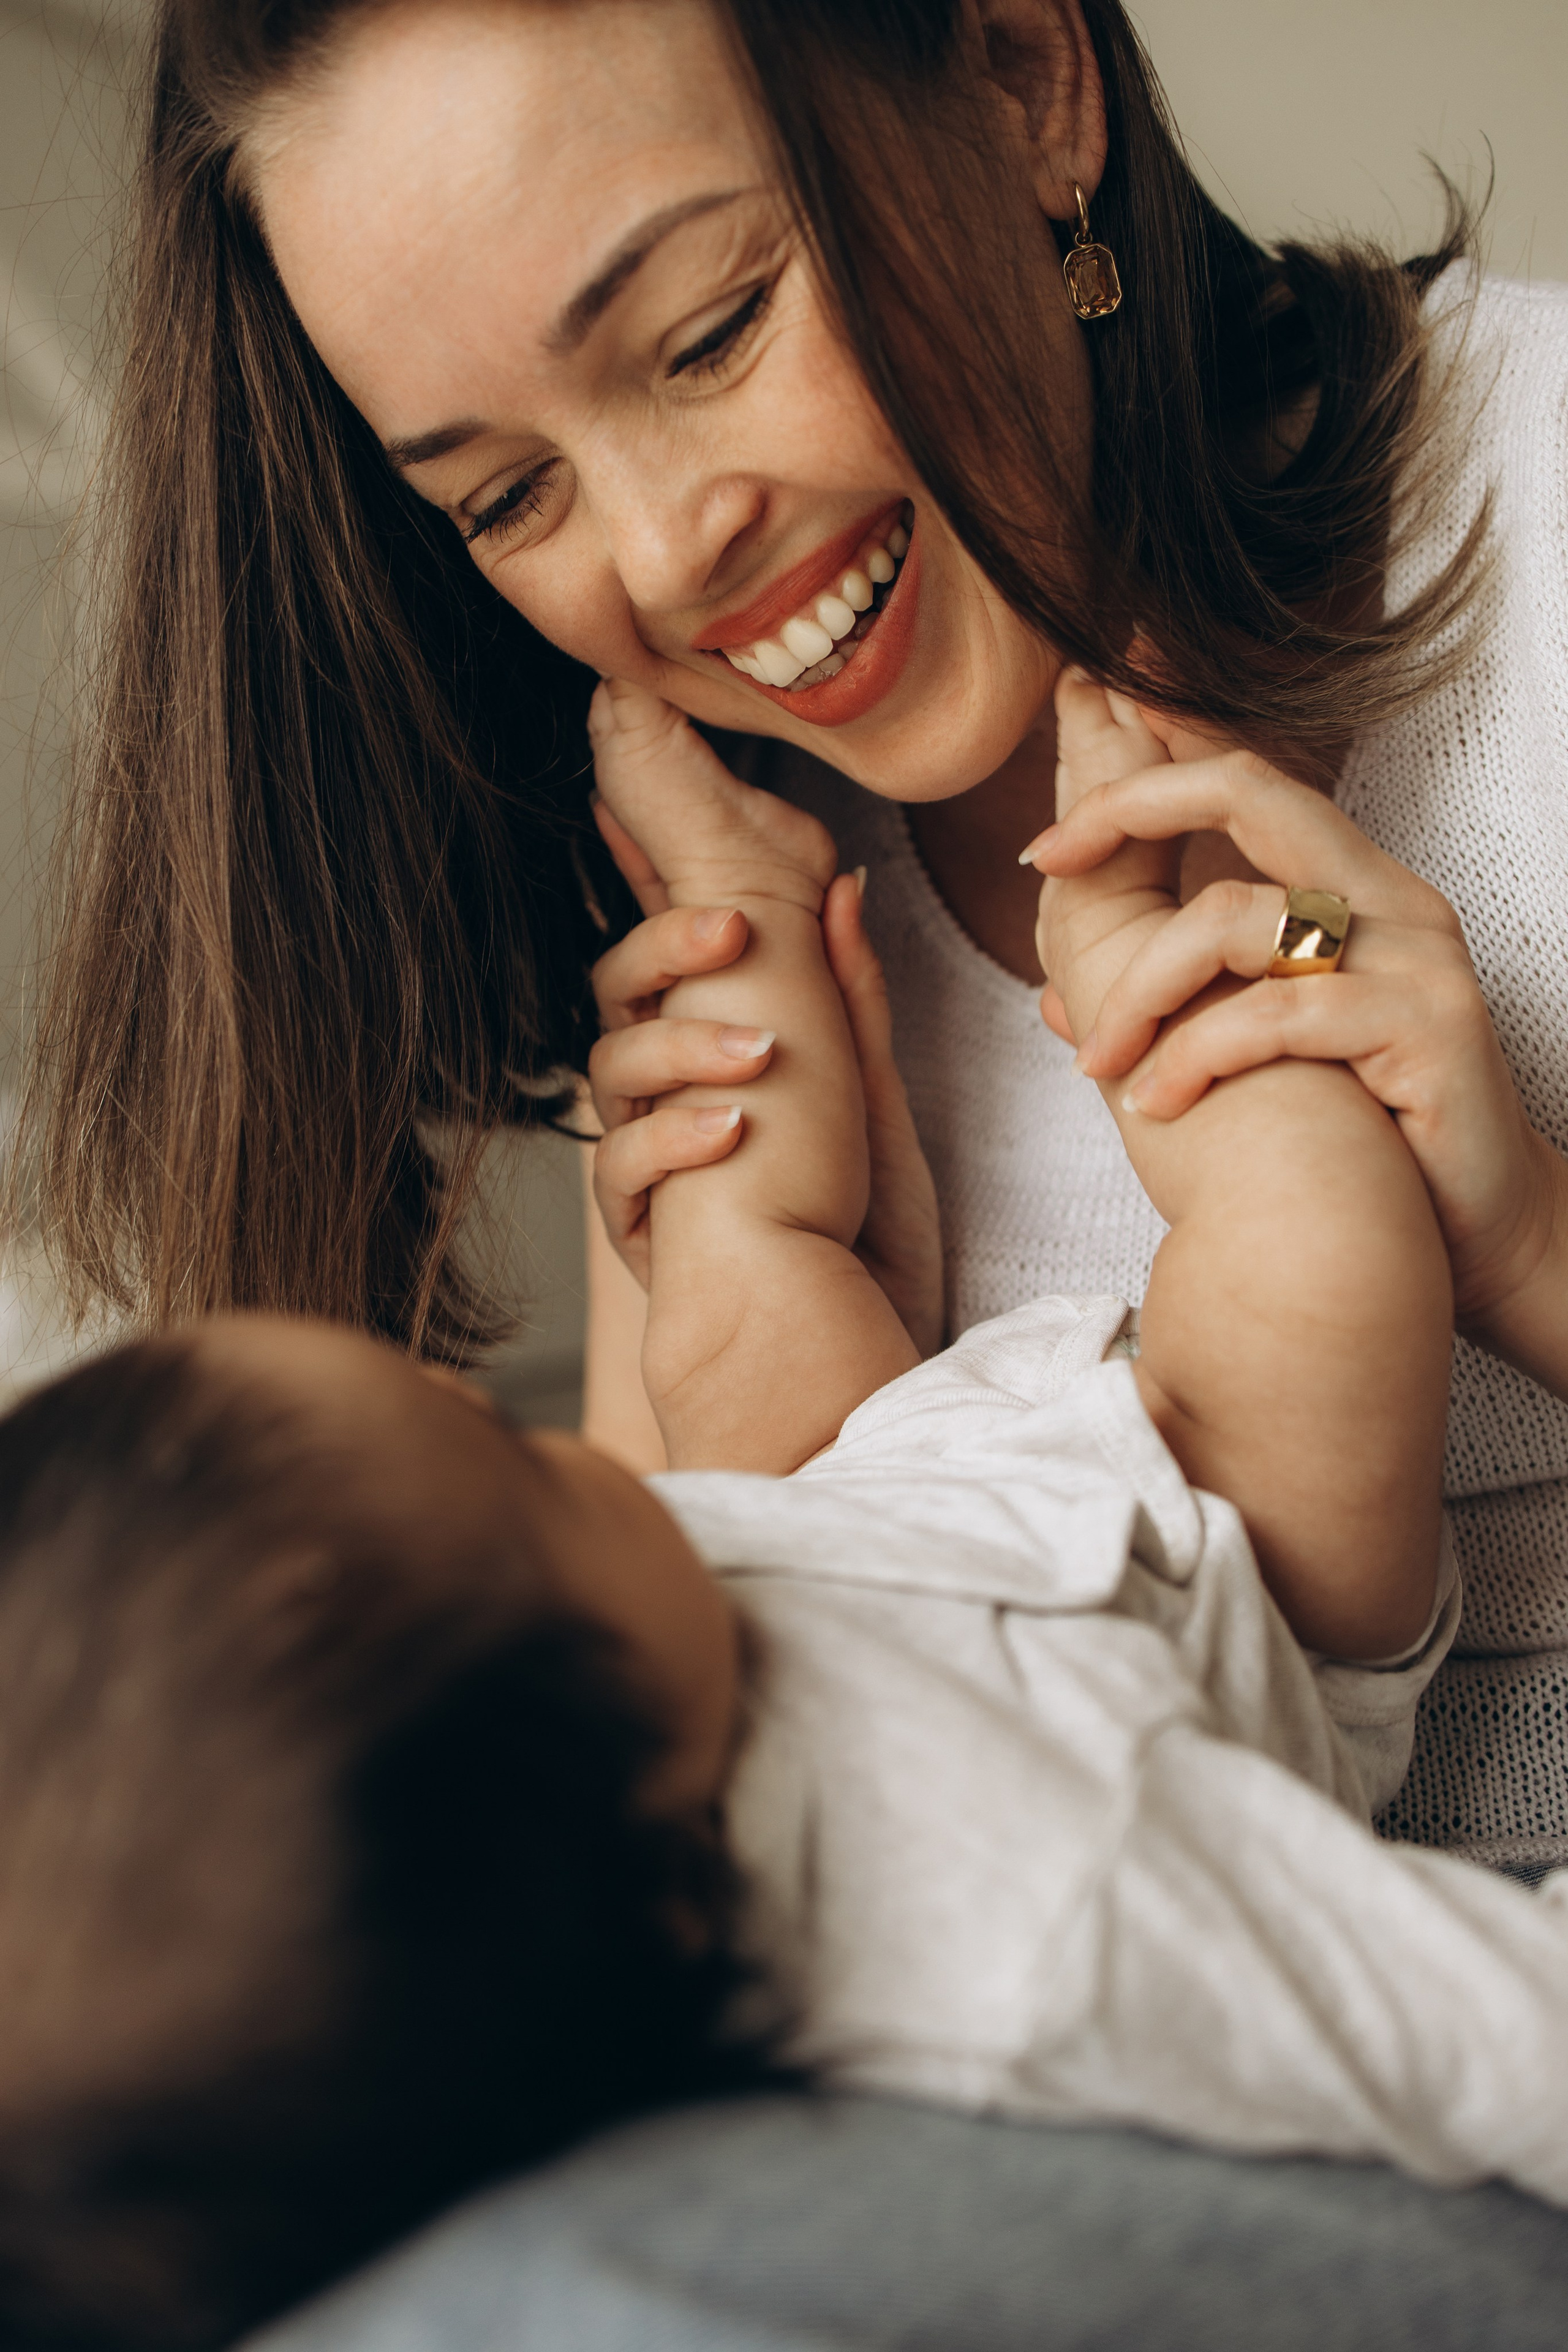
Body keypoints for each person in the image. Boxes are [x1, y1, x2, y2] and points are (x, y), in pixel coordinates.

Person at [23, 0, 1568, 1887]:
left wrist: (1531, 1239)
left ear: (1022, 80)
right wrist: (850, 1391)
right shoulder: (749, 942)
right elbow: (725, 1790)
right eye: (505, 495)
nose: (661, 555)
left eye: (710, 333)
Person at [4, 665, 1562, 2352]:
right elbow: (1472, 2034)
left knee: (728, 1281)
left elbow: (669, 1476)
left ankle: (739, 896)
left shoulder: (583, 1686)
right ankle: (1144, 935)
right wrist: (1249, 954)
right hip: (1212, 1565)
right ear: (662, 1806)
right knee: (1314, 1239)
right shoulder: (1055, 1906)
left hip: (869, 1506)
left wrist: (720, 1096)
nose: (504, 1417)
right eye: (524, 1472)